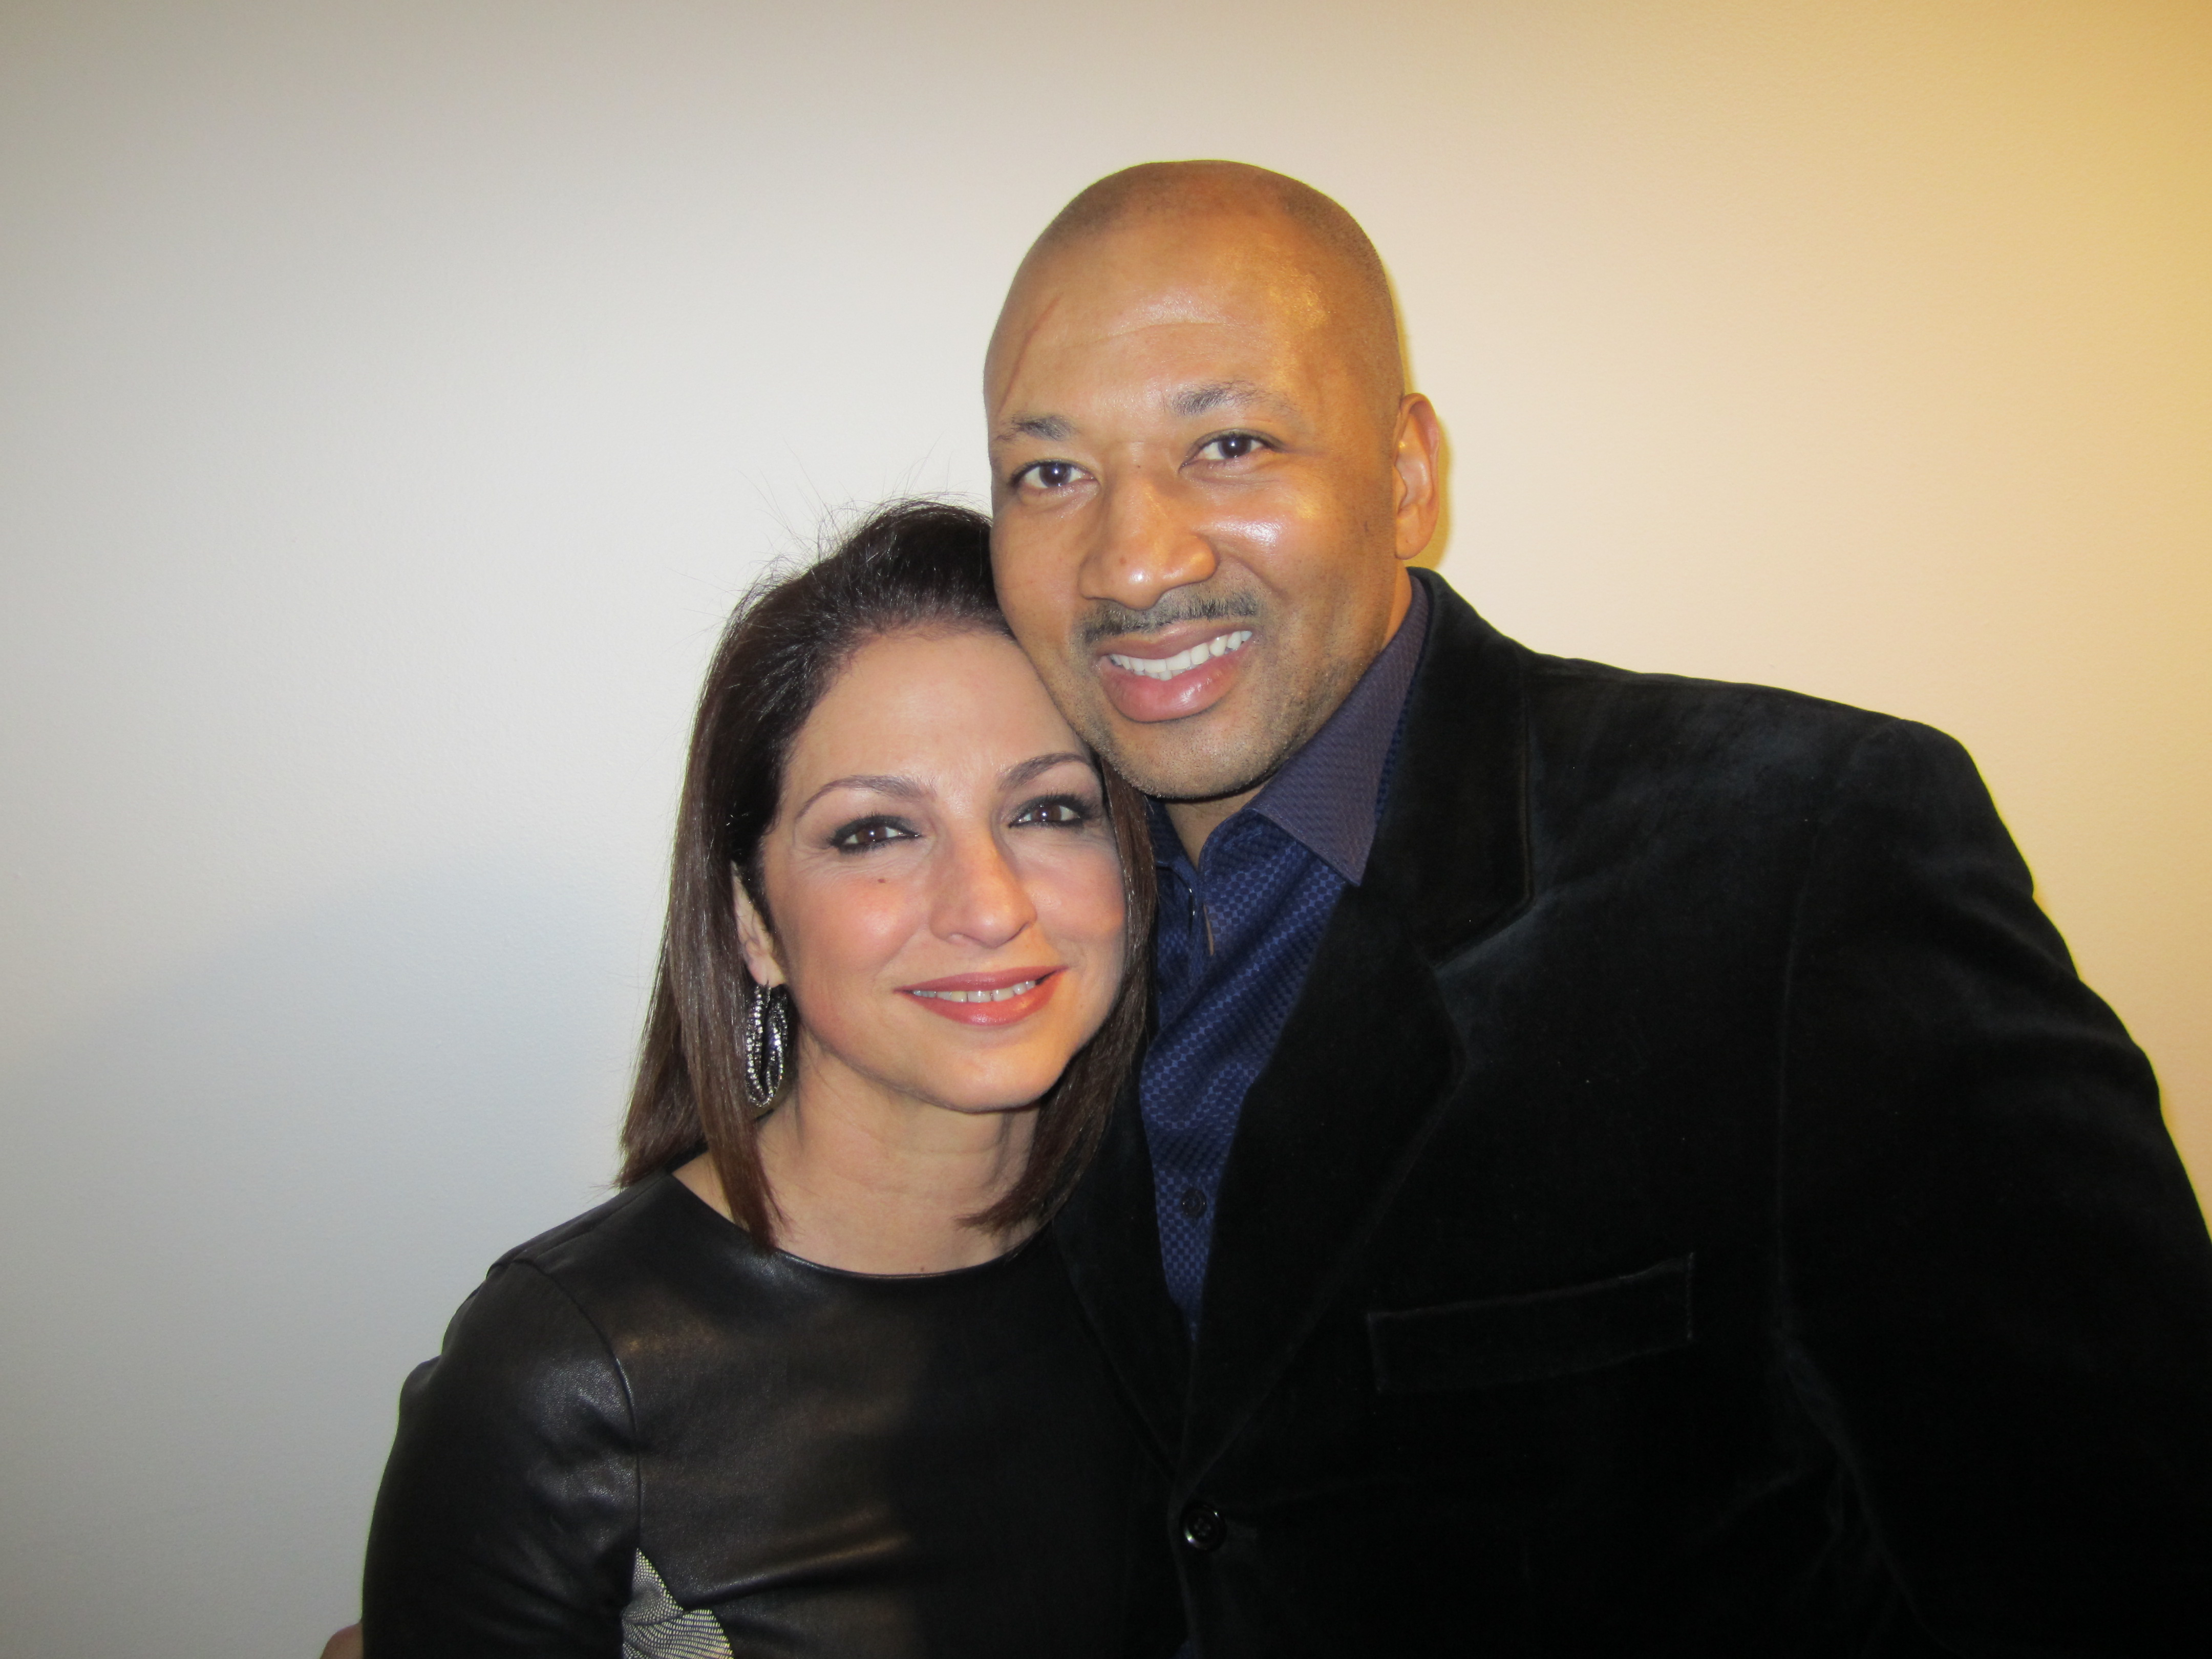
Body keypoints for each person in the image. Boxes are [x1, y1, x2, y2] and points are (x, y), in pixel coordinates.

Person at [985, 161, 2212, 1653]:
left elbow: (2120, 1556)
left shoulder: (1803, 857)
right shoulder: (1009, 935)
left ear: (1410, 476)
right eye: (1050, 473)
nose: (1133, 560)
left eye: (1230, 444)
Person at [354, 502, 1180, 1657]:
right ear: (753, 924)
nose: (992, 904)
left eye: (1049, 810)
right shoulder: (565, 1380)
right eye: (877, 832)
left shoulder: (1177, 1270)